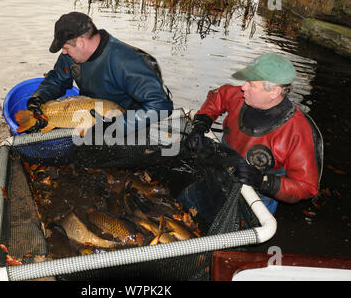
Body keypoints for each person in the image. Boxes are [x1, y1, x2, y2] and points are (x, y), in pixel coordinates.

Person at [182, 53, 321, 216]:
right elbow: (218, 96)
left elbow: (306, 187)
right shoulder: (241, 97)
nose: (243, 87)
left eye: (251, 84)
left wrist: (262, 181)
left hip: (255, 199)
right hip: (221, 174)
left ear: (274, 92)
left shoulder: (297, 131)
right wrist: (200, 125)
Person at [26, 11, 173, 135]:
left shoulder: (125, 62)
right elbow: (57, 79)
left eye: (65, 47)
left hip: (127, 122)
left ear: (81, 43)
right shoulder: (70, 56)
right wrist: (39, 97)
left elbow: (160, 105)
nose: (63, 52)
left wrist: (116, 126)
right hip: (91, 116)